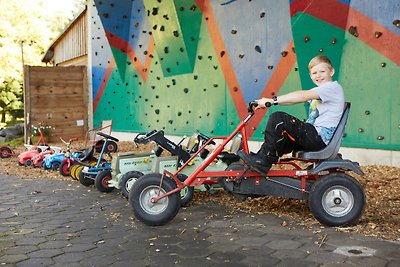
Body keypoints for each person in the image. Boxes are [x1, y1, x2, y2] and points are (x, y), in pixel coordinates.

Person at [238, 55, 344, 174]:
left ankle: (263, 161)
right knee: (281, 137)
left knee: (278, 119)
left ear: (332, 71)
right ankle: (261, 158)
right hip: (315, 136)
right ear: (310, 75)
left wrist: (273, 100)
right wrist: (271, 102)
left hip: (319, 139)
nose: (318, 75)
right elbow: (293, 100)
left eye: (322, 71)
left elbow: (302, 96)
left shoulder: (332, 88)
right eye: (314, 73)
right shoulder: (321, 90)